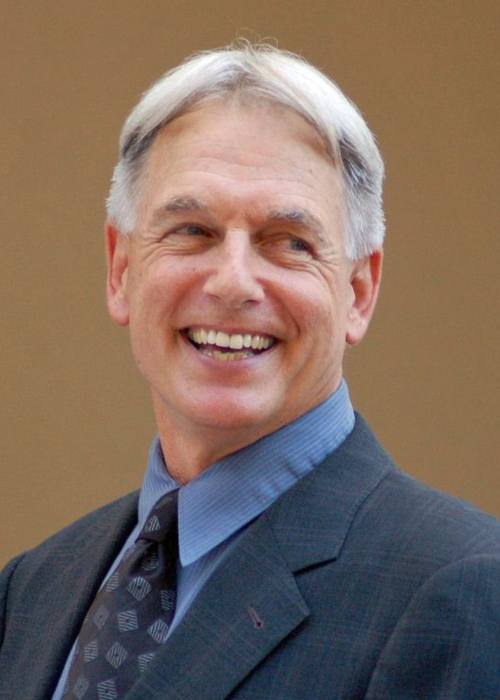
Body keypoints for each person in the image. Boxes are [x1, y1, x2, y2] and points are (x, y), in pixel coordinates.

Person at [1, 43, 499, 700]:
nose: (234, 282)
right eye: (191, 231)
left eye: (288, 242)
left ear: (359, 290)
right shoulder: (32, 590)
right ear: (121, 269)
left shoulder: (461, 593)